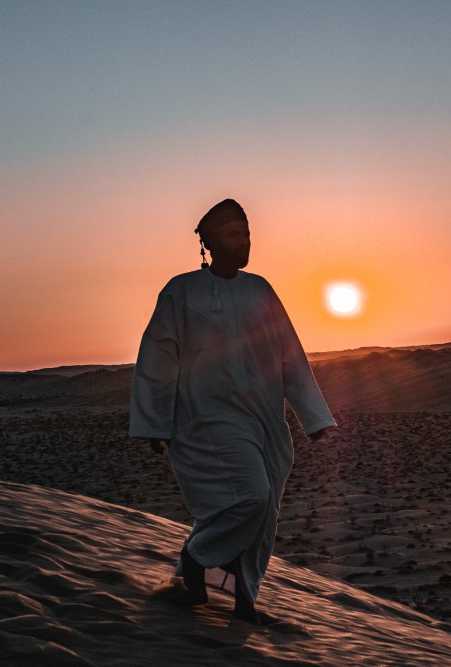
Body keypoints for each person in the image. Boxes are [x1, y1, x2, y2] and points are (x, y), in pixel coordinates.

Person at [129, 198, 335, 624]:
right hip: (206, 420)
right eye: (235, 234)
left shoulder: (260, 290)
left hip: (264, 421)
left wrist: (312, 417)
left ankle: (243, 601)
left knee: (264, 515)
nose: (245, 243)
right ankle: (195, 558)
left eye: (248, 234)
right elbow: (158, 357)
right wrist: (154, 422)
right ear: (210, 241)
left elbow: (290, 356)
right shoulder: (181, 291)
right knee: (249, 497)